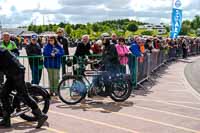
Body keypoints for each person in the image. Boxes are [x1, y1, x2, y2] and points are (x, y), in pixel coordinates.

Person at [0, 48, 48, 128]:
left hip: (17, 73)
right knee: (3, 94)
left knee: (24, 95)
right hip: (11, 74)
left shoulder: (2, 51)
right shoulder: (2, 50)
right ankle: (6, 120)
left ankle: (40, 115)